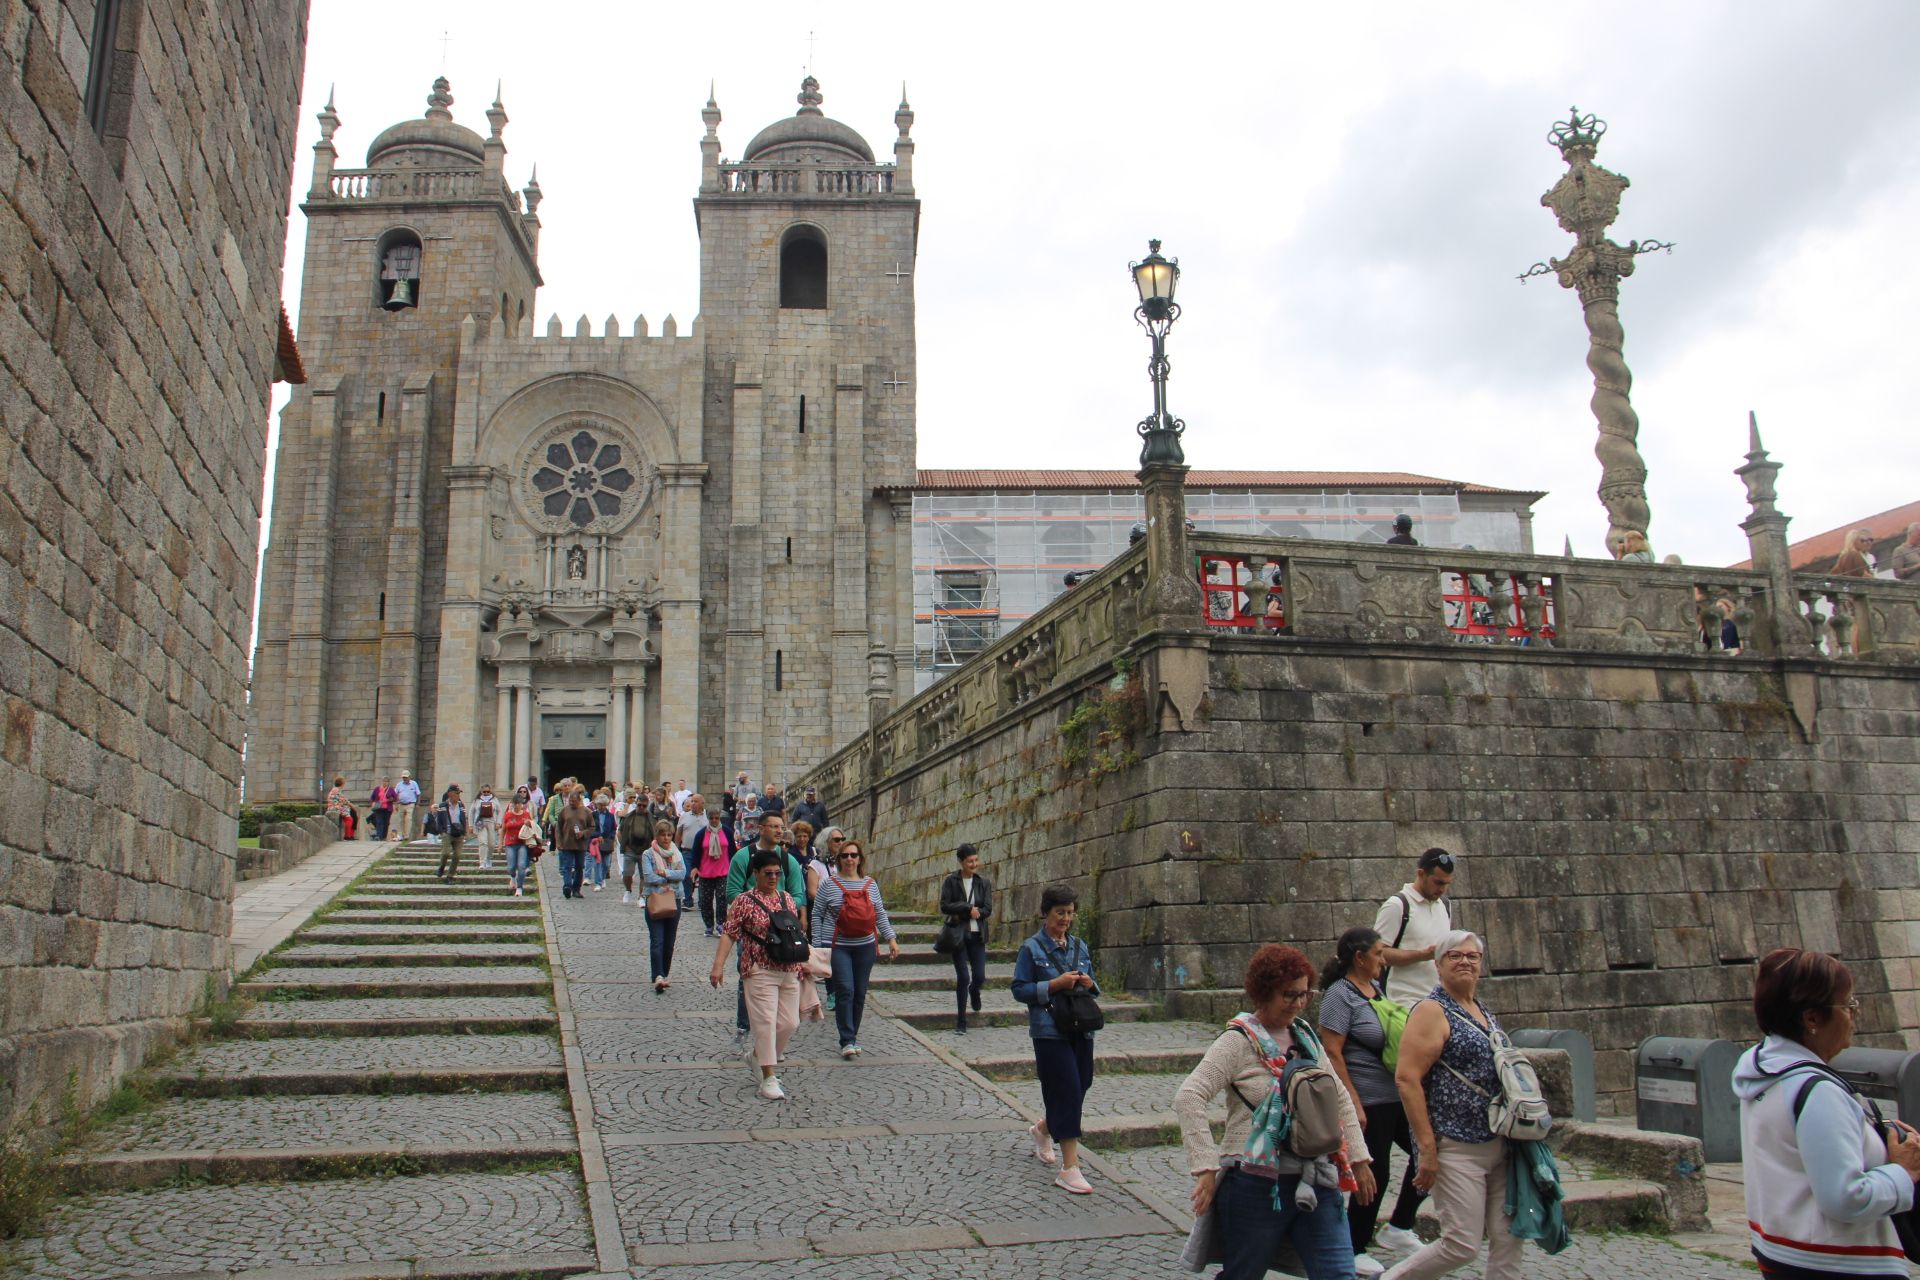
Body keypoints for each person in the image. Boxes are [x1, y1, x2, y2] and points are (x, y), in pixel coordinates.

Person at [1178, 944, 1374, 1280]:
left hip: (1317, 1176)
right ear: (1263, 993)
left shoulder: (1307, 1037)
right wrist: (1205, 1167)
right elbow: (1189, 1096)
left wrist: (1359, 1158)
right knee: (1244, 1273)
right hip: (1255, 1183)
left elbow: (1338, 1097)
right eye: (1289, 995)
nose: (1298, 1003)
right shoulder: (1237, 1042)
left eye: (1304, 994)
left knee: (1339, 1274)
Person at [1734, 948, 1920, 1278]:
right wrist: (1902, 1171)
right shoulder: (1817, 1091)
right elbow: (1847, 1199)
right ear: (1812, 1018)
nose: (1854, 1015)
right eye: (1848, 1006)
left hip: (1784, 1255)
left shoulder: (1765, 1073)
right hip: (1839, 1265)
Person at [1382, 930, 1519, 1280]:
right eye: (1455, 956)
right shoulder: (1431, 1010)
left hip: (1500, 1142)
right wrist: (1427, 1148)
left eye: (1472, 956)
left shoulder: (1480, 1010)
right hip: (1457, 1146)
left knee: (1508, 1238)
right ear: (1438, 965)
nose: (1465, 962)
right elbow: (1407, 1078)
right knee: (1462, 1244)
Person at [1320, 927, 1425, 1273]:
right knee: (1375, 1168)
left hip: (1396, 1093)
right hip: (1368, 1098)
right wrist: (1352, 1100)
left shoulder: (1375, 988)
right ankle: (1354, 1244)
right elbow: (1332, 1052)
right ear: (1360, 958)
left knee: (1430, 1150)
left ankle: (1400, 1225)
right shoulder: (1338, 995)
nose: (1384, 959)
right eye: (1379, 953)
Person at [1011, 883, 1102, 1194]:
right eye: (1059, 913)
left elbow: (1093, 986)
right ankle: (1070, 1167)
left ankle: (1044, 1128)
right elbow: (1019, 989)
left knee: (1082, 1084)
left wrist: (1090, 984)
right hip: (1049, 1029)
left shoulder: (1080, 947)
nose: (1065, 919)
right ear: (1045, 913)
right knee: (1067, 1089)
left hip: (1081, 1026)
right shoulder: (1032, 949)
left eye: (1070, 914)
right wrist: (1053, 984)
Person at [711, 847, 808, 1101]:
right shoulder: (744, 901)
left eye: (777, 873)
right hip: (758, 968)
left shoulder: (787, 899)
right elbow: (730, 932)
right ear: (755, 874)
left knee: (789, 1023)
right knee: (765, 1023)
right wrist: (718, 966)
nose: (773, 878)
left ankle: (757, 1056)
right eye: (768, 873)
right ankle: (768, 1076)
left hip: (787, 968)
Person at [811, 837, 899, 1059]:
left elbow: (879, 913)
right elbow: (817, 914)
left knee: (860, 993)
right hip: (838, 945)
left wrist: (891, 938)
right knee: (845, 990)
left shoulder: (870, 884)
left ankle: (853, 1036)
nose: (849, 859)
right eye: (845, 855)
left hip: (865, 946)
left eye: (853, 855)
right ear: (839, 859)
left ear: (860, 859)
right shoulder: (828, 884)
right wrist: (819, 945)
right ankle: (847, 1040)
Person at [724, 815, 807, 1045]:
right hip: (753, 930)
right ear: (761, 828)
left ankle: (774, 1027)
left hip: (783, 931)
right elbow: (732, 891)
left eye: (782, 827)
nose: (779, 831)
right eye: (774, 827)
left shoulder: (787, 860)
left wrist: (785, 908)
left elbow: (798, 893)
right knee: (747, 973)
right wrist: (756, 905)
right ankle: (743, 1026)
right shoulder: (743, 857)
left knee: (785, 974)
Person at [1374, 849, 1456, 1009]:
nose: (1442, 889)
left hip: (1441, 1003)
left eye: (1447, 884)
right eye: (1438, 882)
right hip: (1404, 1003)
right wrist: (1423, 955)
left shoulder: (1445, 905)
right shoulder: (1397, 905)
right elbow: (1377, 953)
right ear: (1421, 874)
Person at [940, 844, 992, 1034]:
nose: (974, 864)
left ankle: (975, 990)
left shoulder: (983, 883)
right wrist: (966, 908)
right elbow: (945, 906)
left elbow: (988, 909)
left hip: (978, 935)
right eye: (970, 861)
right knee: (963, 977)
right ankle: (961, 1021)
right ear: (961, 862)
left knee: (979, 976)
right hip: (958, 935)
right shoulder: (951, 881)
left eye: (976, 860)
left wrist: (978, 912)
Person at [641, 819, 686, 992]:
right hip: (655, 899)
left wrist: (665, 873)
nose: (666, 838)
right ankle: (658, 976)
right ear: (657, 835)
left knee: (669, 941)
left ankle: (664, 973)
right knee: (657, 939)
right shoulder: (648, 854)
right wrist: (668, 878)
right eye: (663, 835)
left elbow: (682, 873)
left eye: (669, 835)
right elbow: (649, 877)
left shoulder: (676, 852)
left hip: (675, 899)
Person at [694, 814, 733, 936]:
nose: (714, 820)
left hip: (723, 870)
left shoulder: (726, 831)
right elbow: (696, 851)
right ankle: (709, 925)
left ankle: (721, 924)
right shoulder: (701, 833)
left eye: (716, 818)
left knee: (722, 898)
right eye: (712, 818)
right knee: (705, 900)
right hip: (706, 872)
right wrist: (694, 868)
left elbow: (732, 849)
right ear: (708, 819)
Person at [555, 787, 595, 899]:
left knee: (579, 867)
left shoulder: (586, 812)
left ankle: (576, 889)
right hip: (566, 843)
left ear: (579, 800)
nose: (571, 803)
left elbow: (592, 827)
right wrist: (558, 841)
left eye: (574, 801)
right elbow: (558, 827)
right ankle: (567, 886)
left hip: (580, 845)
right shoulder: (564, 811)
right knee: (567, 866)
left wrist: (583, 833)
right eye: (570, 801)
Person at [675, 793, 709, 909]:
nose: (693, 804)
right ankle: (688, 899)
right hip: (687, 851)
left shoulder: (708, 817)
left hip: (704, 853)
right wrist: (676, 848)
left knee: (703, 877)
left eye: (696, 801)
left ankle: (702, 902)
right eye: (692, 801)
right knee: (687, 875)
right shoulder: (684, 816)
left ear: (702, 804)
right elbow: (679, 833)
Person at [500, 791, 534, 898]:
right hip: (510, 843)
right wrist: (500, 843)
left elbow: (533, 828)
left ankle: (519, 887)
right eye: (517, 803)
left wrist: (529, 824)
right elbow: (503, 830)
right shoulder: (508, 815)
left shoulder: (526, 815)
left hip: (522, 843)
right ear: (513, 804)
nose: (519, 806)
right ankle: (513, 877)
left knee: (522, 865)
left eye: (520, 803)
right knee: (511, 866)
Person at [433, 785, 468, 881]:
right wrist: (441, 831)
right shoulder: (443, 806)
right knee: (445, 853)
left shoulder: (461, 806)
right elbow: (439, 820)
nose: (458, 795)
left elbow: (464, 818)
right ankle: (441, 867)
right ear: (450, 794)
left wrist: (464, 831)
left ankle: (450, 875)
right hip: (447, 832)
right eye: (456, 793)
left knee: (457, 855)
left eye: (459, 793)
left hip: (459, 834)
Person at [473, 785, 500, 870]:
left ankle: (488, 858)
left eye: (488, 791)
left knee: (491, 843)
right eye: (484, 792)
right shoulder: (477, 800)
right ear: (481, 792)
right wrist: (471, 825)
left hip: (491, 822)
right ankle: (482, 862)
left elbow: (499, 811)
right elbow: (471, 812)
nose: (486, 793)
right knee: (483, 842)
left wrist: (498, 822)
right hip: (480, 822)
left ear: (490, 791)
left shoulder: (495, 800)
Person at [394, 771, 421, 840]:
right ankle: (401, 835)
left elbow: (418, 794)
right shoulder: (399, 785)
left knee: (408, 819)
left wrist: (418, 803)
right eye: (403, 777)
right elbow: (395, 794)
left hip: (410, 803)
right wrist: (396, 804)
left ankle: (407, 835)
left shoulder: (414, 784)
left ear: (409, 777)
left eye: (406, 777)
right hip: (401, 804)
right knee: (400, 820)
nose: (404, 779)